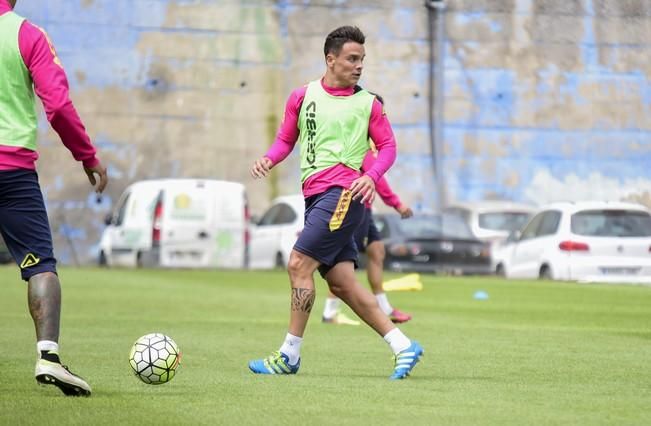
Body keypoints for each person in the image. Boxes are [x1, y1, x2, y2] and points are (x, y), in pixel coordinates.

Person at [248, 26, 423, 380]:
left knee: (298, 264)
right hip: (317, 198)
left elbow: (388, 148)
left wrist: (370, 176)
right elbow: (285, 139)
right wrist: (269, 158)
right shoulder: (302, 96)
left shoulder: (368, 103)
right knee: (341, 283)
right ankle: (403, 345)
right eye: (352, 59)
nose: (359, 66)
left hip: (343, 194)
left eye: (362, 60)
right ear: (331, 59)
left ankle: (289, 355)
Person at [0, 0, 108, 396]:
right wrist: (88, 156)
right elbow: (58, 107)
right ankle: (48, 355)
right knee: (40, 266)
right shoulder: (26, 33)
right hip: (11, 173)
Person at [321, 149, 414, 326]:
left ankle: (385, 308)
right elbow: (377, 180)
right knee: (344, 262)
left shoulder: (366, 147)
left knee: (377, 250)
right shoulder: (361, 147)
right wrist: (397, 204)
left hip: (366, 209)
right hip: (355, 207)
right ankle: (330, 312)